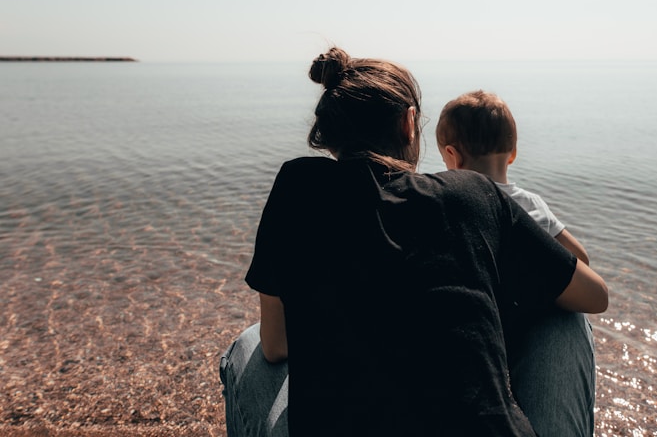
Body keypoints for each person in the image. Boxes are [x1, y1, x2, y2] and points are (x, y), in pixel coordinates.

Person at [220, 48, 608, 437]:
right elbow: (595, 295)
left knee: (248, 342)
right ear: (409, 124)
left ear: (331, 134)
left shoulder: (297, 187)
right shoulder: (472, 193)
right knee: (565, 316)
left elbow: (275, 345)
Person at [436, 89, 598, 436]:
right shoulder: (530, 204)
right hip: (526, 325)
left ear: (451, 156)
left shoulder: (447, 202)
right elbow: (580, 262)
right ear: (513, 153)